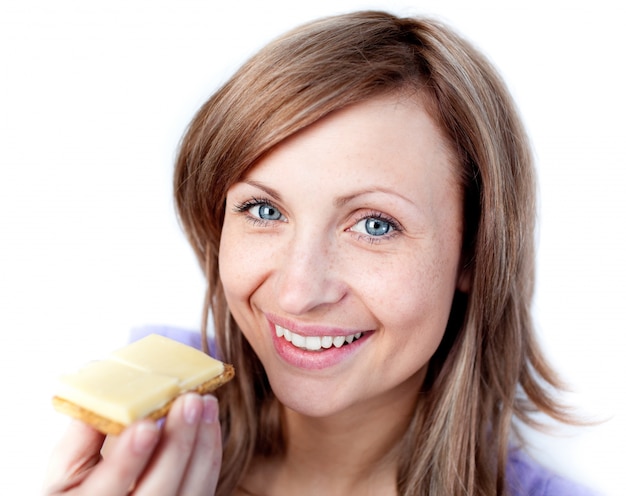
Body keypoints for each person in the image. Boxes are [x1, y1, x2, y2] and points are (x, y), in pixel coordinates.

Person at [44, 10, 596, 496]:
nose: (297, 292)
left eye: (375, 225)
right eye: (264, 211)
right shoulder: (126, 445)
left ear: (475, 252)